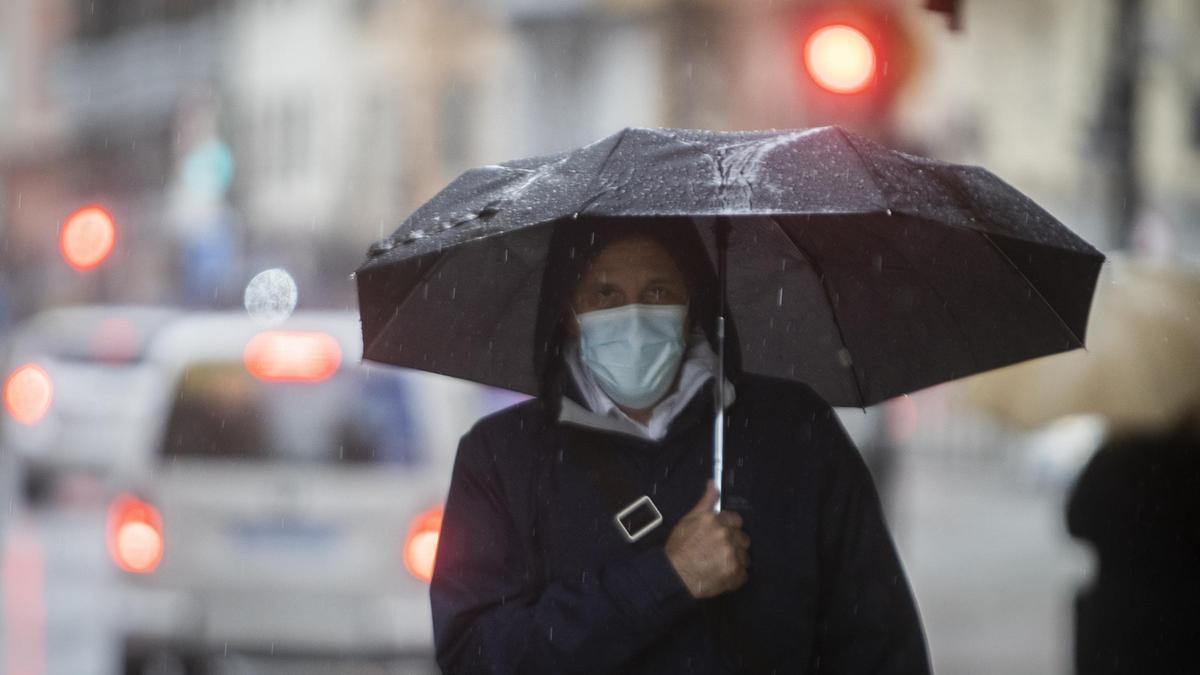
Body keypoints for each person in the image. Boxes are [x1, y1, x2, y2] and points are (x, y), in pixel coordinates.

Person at [430, 217, 930, 674]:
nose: (632, 316)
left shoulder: (793, 431)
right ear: (568, 311)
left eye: (657, 291)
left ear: (693, 307)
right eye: (605, 294)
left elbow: (878, 643)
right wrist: (666, 578)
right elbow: (475, 657)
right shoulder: (502, 457)